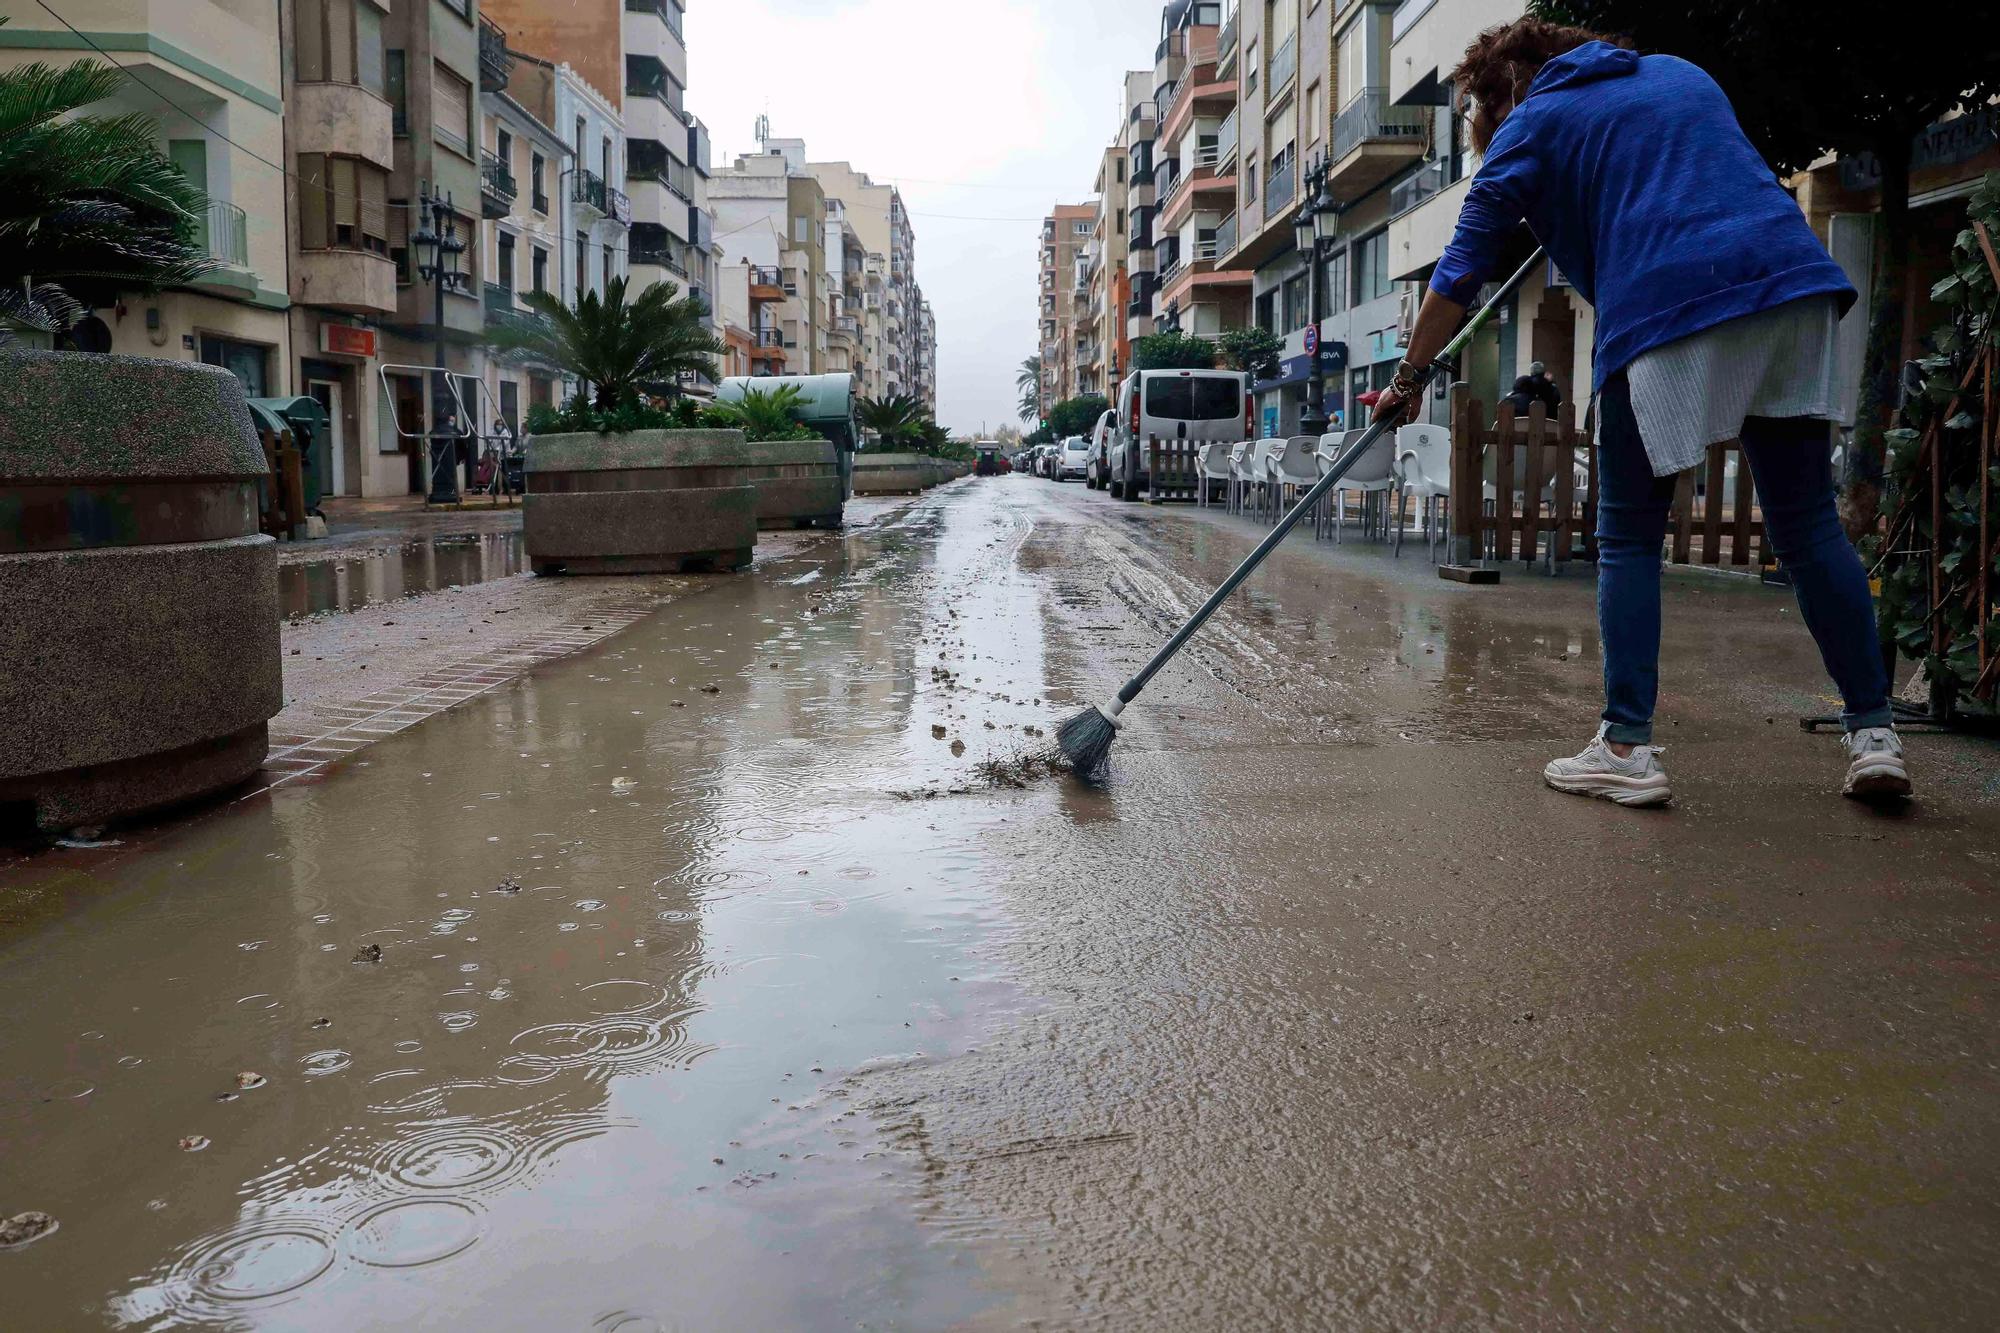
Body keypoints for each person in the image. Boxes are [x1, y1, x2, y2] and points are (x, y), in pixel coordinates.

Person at [1375, 18, 1907, 807]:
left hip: (1668, 303)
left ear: (1507, 90)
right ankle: (1874, 733)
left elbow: (1458, 272)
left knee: (1626, 532)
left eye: (1481, 120)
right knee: (1806, 525)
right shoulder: (1677, 73)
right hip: (1792, 285)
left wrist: (1409, 377)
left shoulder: (1534, 121)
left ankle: (1626, 745)